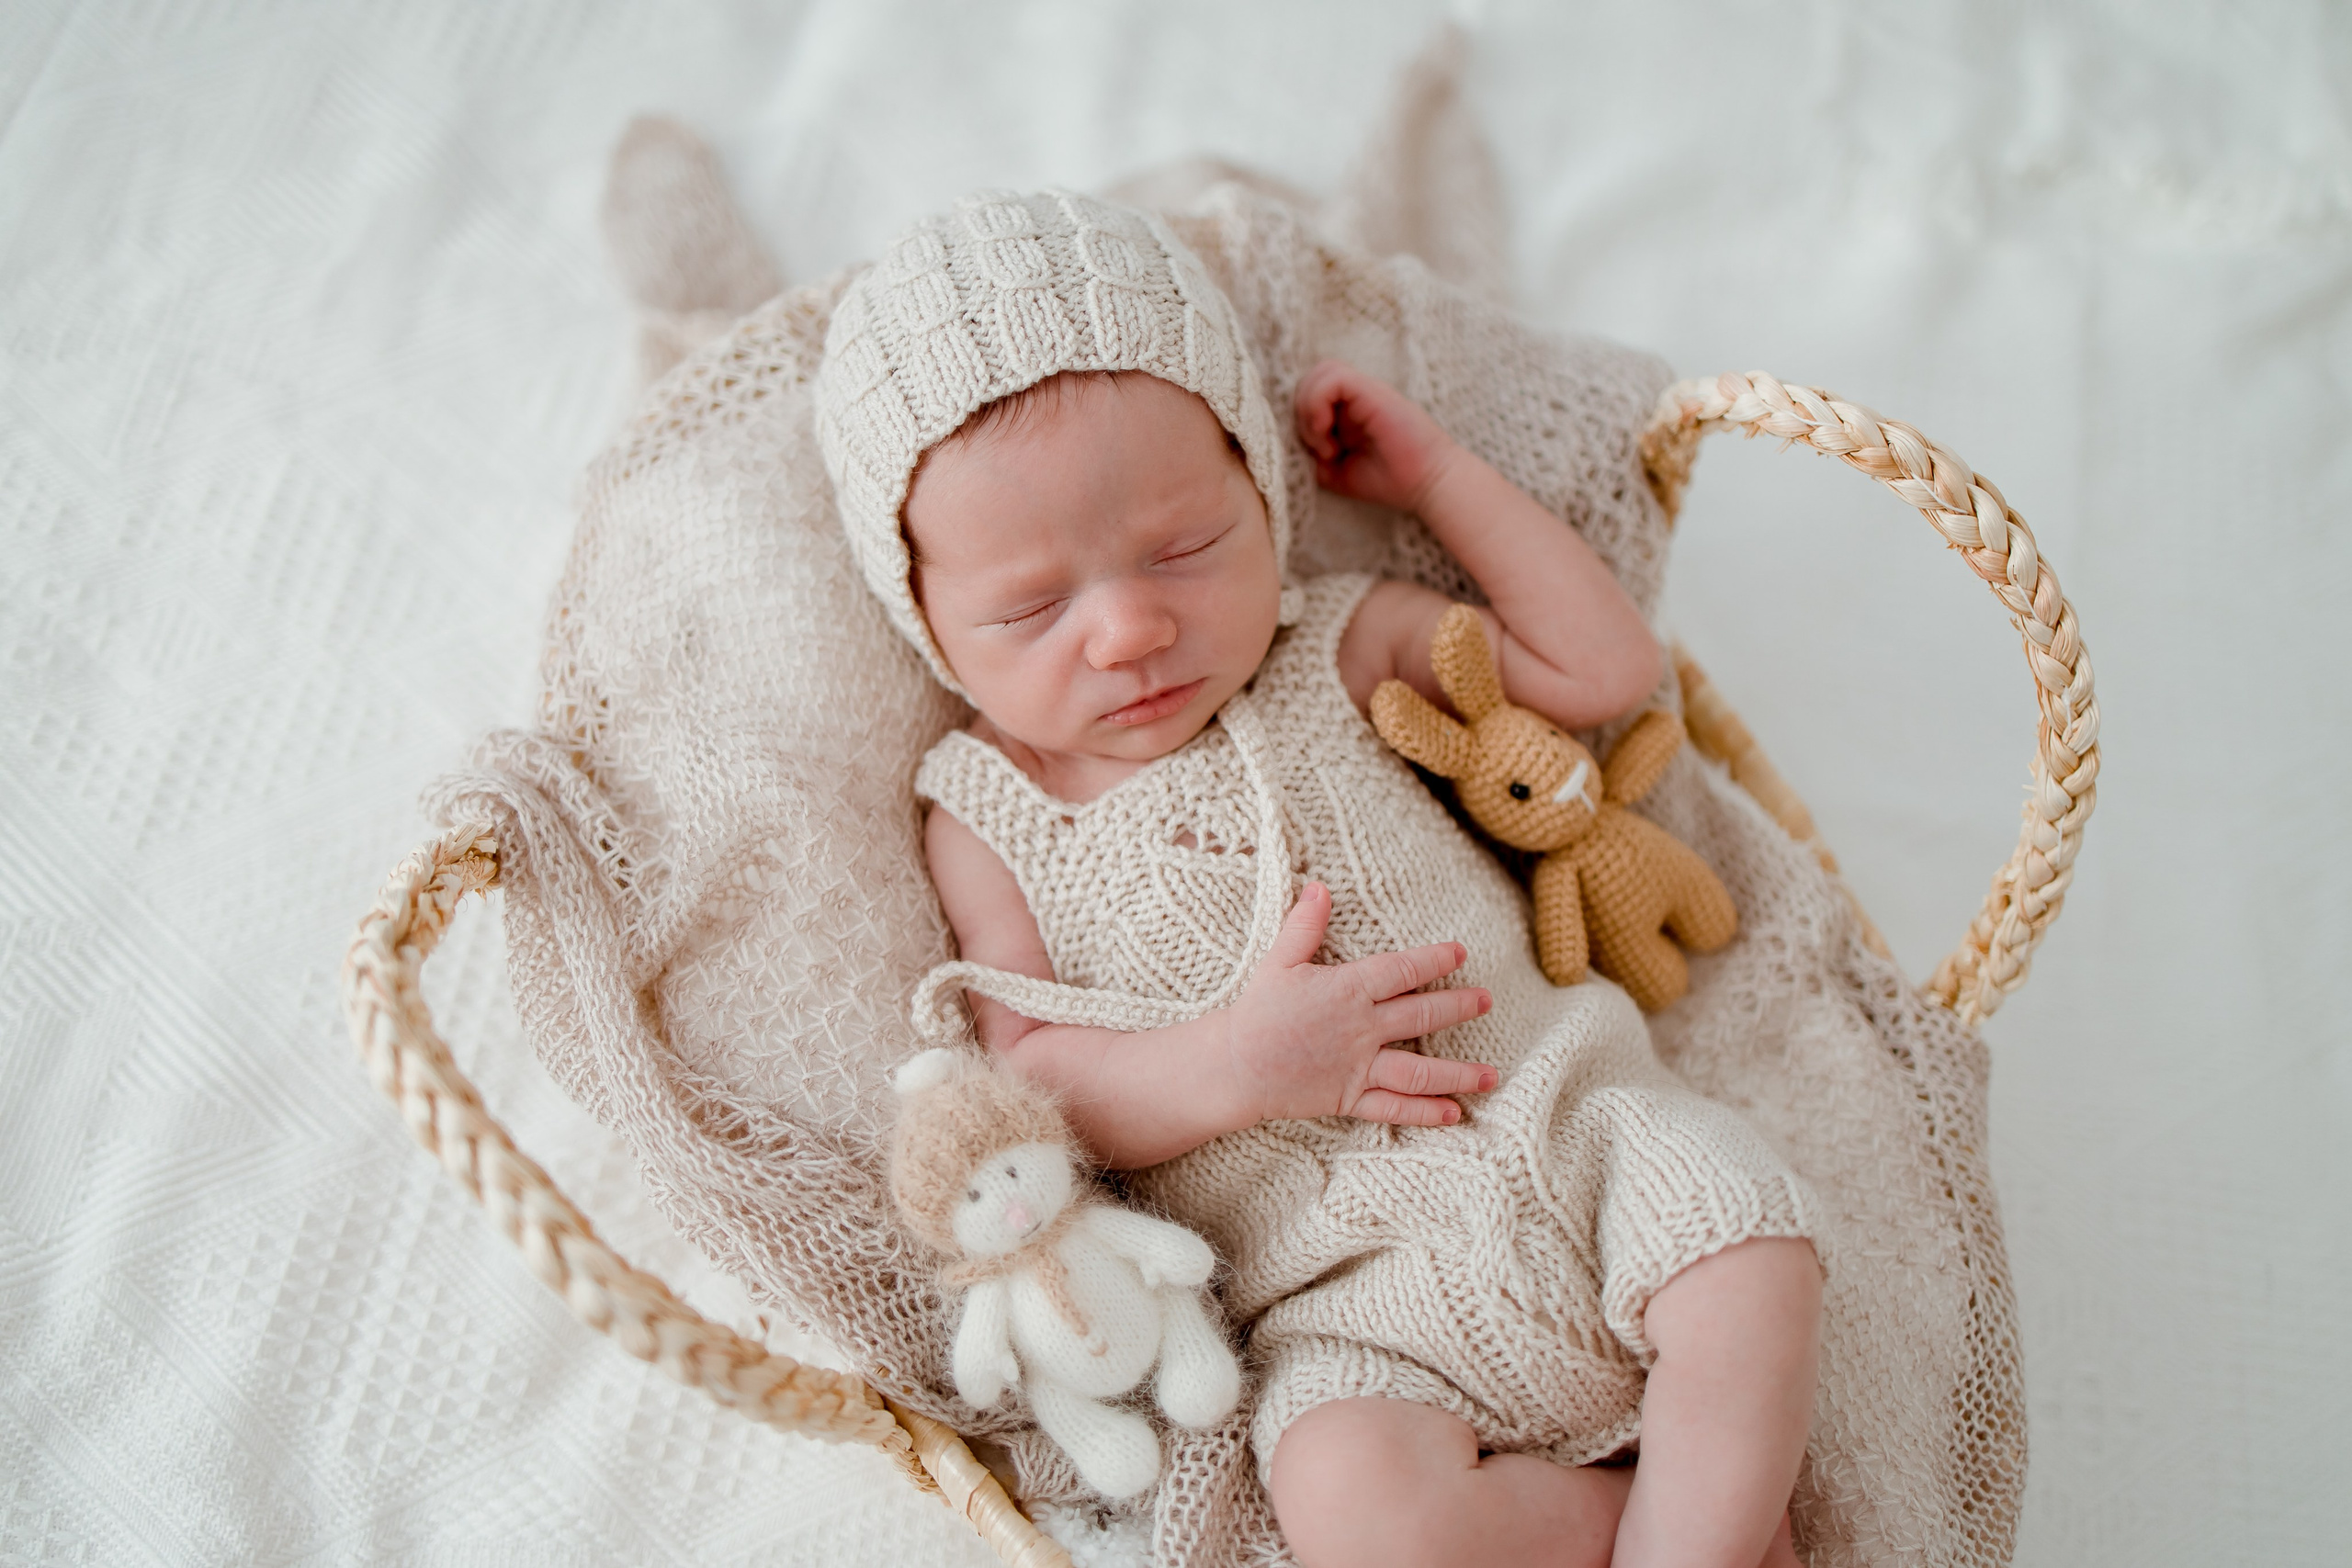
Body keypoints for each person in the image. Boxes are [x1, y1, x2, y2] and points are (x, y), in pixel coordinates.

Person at [816, 189, 1822, 1568]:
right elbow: (1030, 1100)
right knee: (1359, 1516)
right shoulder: (986, 814)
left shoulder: (1333, 648)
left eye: (1183, 548)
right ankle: (1666, 1523)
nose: (1128, 629)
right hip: (1345, 1294)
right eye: (1032, 609)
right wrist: (1239, 1062)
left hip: (1571, 1129)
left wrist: (1436, 483)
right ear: (926, 620)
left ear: (1264, 495)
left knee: (1752, 1260)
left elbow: (1604, 672)